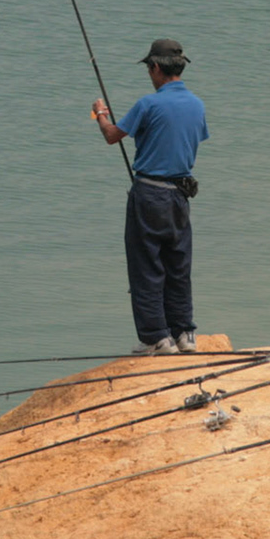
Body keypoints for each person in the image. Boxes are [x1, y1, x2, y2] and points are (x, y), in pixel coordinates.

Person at [91, 38, 208, 355]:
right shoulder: (198, 105)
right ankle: (184, 333)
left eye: (149, 68)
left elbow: (112, 136)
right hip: (180, 196)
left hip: (149, 195)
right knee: (178, 266)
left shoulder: (149, 104)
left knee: (146, 267)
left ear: (156, 67)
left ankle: (156, 337)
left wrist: (100, 114)